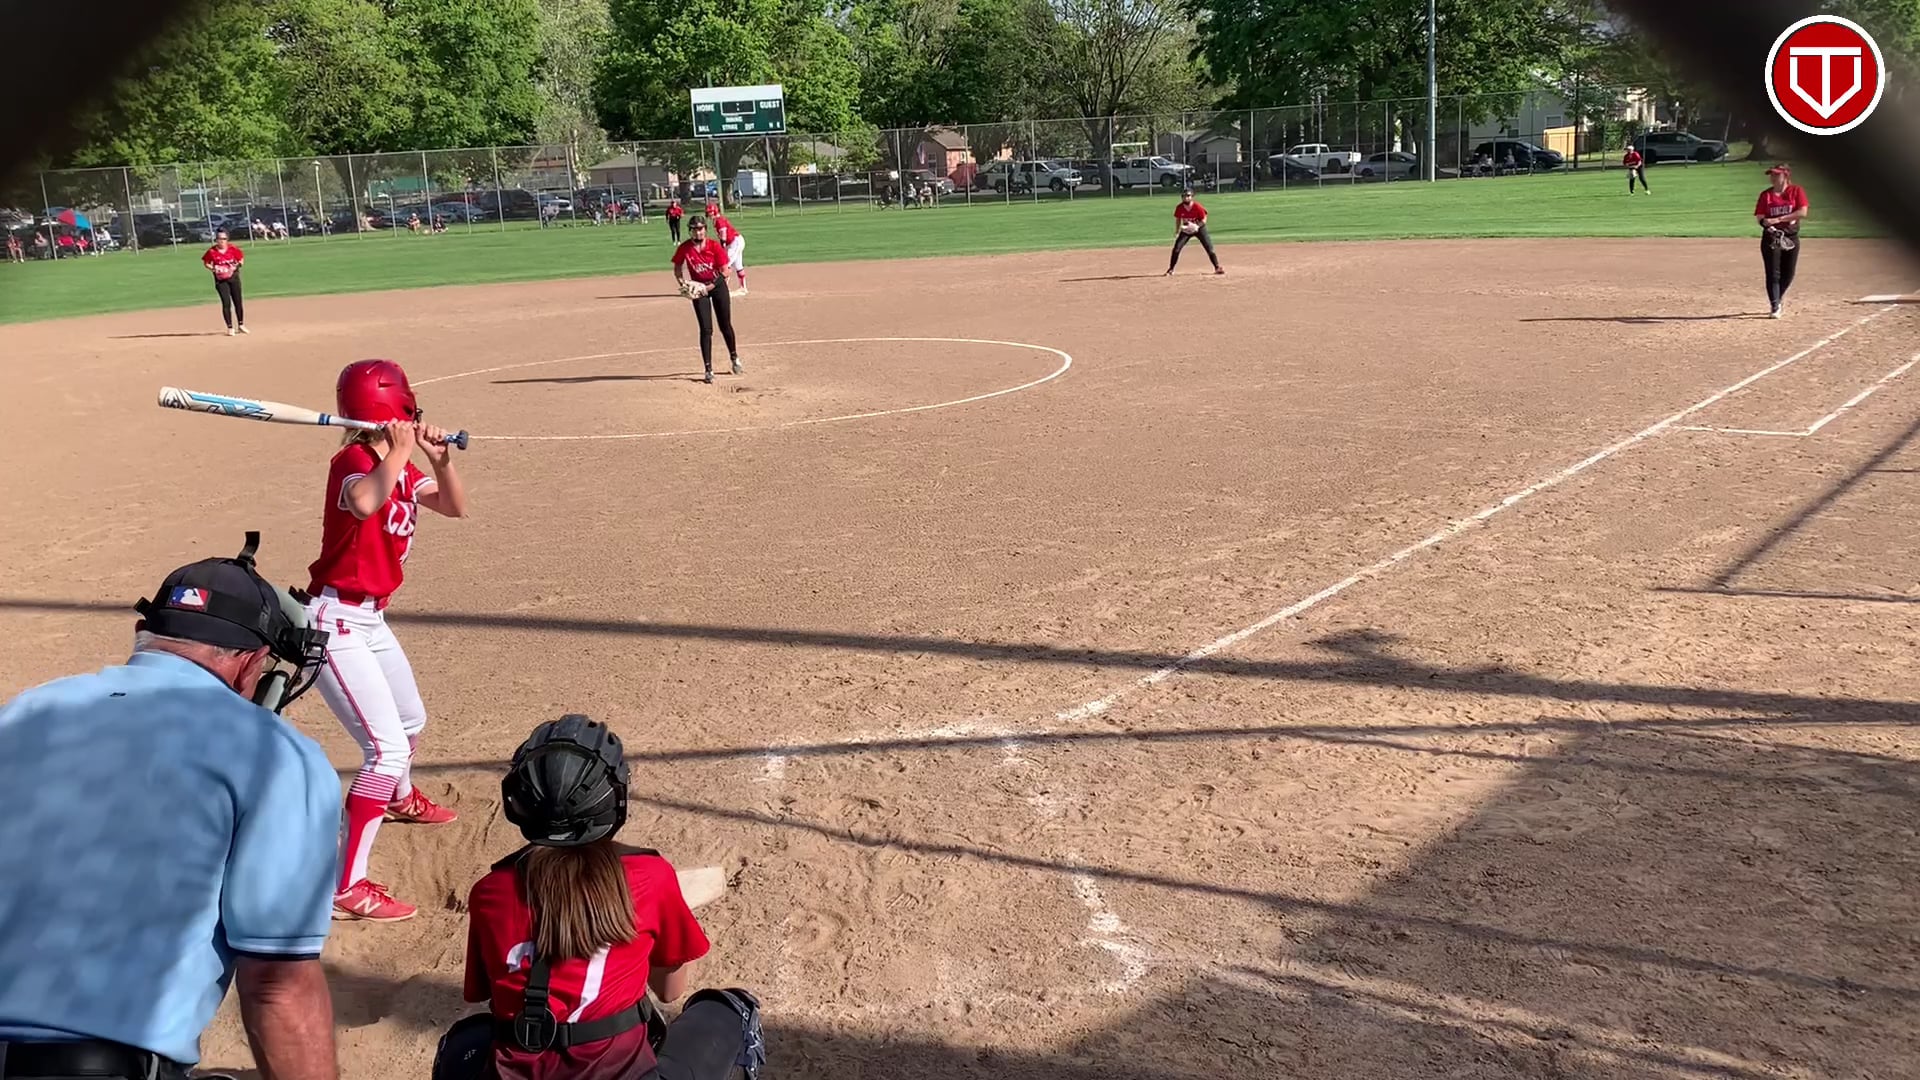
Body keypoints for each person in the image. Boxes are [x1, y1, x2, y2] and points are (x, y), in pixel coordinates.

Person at [0, 533, 341, 1080]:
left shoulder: (22, 713)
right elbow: (276, 987)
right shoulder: (276, 755)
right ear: (251, 664)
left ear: (145, 635)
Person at [436, 715, 764, 1080]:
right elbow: (670, 991)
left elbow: (485, 994)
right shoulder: (649, 877)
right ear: (613, 799)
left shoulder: (489, 891)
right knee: (729, 1011)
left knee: (468, 1042)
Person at [308, 359, 470, 922]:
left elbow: (454, 506)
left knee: (410, 722)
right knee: (387, 750)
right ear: (396, 407)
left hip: (371, 620)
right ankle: (345, 887)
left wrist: (439, 459)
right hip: (335, 621)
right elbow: (364, 502)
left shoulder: (399, 463)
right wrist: (398, 452)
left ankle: (398, 798)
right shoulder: (352, 461)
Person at [671, 218, 742, 385]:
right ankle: (708, 369)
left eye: (701, 228)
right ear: (690, 231)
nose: (698, 232)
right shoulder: (685, 248)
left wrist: (709, 287)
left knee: (725, 325)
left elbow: (725, 271)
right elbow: (677, 266)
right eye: (695, 229)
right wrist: (683, 283)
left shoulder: (714, 246)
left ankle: (734, 357)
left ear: (705, 229)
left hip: (717, 286)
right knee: (706, 329)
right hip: (698, 289)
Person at [1756, 164, 1809, 319]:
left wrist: (1779, 219)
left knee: (1789, 273)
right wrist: (1767, 224)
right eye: (1771, 175)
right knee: (1773, 273)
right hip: (1771, 238)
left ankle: (1777, 298)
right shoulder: (1766, 195)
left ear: (1785, 176)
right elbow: (1760, 217)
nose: (1773, 178)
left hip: (1791, 237)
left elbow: (1802, 212)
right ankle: (1775, 305)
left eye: (1776, 175)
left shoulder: (1796, 191)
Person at [1166, 188, 1224, 276]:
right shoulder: (1179, 207)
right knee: (1176, 249)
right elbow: (1178, 219)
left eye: (1188, 196)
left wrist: (1197, 226)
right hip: (1187, 229)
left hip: (1199, 228)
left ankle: (1217, 267)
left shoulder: (1197, 206)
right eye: (1184, 196)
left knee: (1209, 248)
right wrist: (1177, 231)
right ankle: (1171, 269)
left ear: (1192, 197)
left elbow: (1204, 219)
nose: (1186, 198)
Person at [202, 229, 247, 336]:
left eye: (224, 239)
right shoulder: (212, 251)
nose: (221, 241)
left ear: (227, 239)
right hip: (221, 280)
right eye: (219, 239)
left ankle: (241, 324)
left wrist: (236, 266)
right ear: (216, 240)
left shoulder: (233, 249)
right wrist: (214, 268)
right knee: (226, 303)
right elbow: (206, 262)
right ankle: (230, 327)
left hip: (234, 278)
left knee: (238, 302)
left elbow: (241, 260)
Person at [710, 209, 747, 295]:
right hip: (734, 242)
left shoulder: (719, 220)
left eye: (710, 212)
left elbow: (723, 232)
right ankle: (743, 288)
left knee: (725, 265)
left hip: (735, 242)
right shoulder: (717, 220)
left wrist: (723, 246)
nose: (709, 214)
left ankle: (723, 289)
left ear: (715, 211)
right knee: (738, 265)